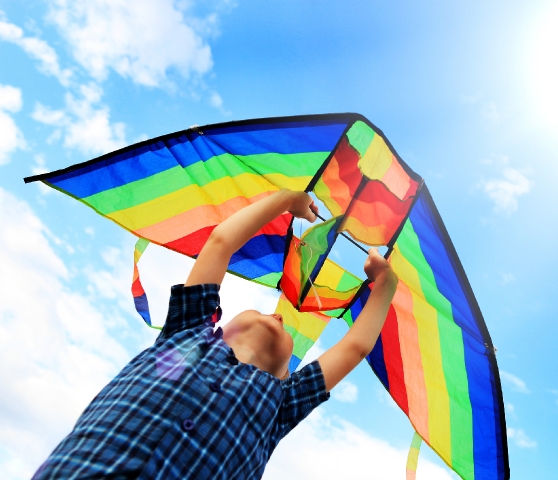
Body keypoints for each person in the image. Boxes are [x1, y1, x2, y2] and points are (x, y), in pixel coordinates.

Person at [33, 189, 398, 479]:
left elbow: (355, 345)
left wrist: (385, 284)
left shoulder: (282, 403)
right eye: (265, 310)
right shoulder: (188, 330)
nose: (277, 315)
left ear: (286, 373)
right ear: (221, 326)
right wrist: (287, 200)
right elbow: (221, 242)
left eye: (282, 323)